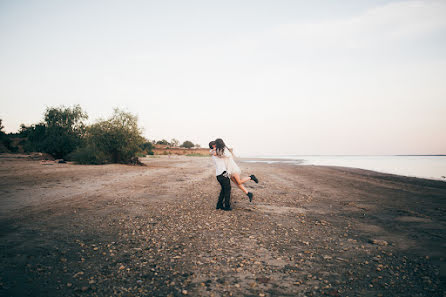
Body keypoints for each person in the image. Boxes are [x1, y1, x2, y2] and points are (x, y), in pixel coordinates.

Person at [209, 141, 232, 210]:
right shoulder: (215, 152)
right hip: (222, 173)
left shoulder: (213, 152)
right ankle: (227, 206)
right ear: (213, 146)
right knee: (228, 189)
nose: (218, 145)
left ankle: (219, 205)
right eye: (216, 144)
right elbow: (227, 155)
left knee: (223, 190)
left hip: (218, 174)